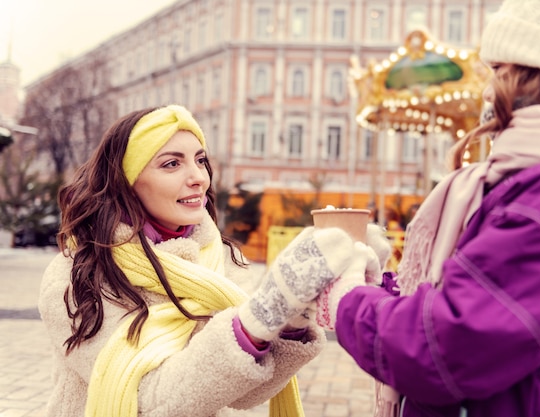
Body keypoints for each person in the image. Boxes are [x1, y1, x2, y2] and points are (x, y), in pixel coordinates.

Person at [319, 0, 540, 416]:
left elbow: (441, 347)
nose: (487, 91)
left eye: (498, 71)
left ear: (535, 75)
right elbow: (480, 295)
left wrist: (347, 300)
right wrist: (380, 288)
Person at [37, 104, 383, 417]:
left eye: (200, 160)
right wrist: (257, 319)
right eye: (172, 163)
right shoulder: (76, 275)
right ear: (127, 182)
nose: (198, 177)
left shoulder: (219, 257)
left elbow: (247, 393)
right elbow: (149, 397)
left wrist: (292, 317)